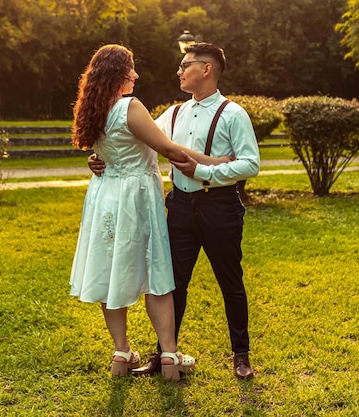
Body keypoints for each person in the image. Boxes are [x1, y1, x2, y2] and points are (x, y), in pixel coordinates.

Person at [89, 43, 260, 379]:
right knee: (171, 283)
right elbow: (134, 137)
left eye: (185, 65)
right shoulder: (173, 114)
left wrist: (207, 172)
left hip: (220, 207)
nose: (179, 71)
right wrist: (99, 157)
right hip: (180, 208)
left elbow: (251, 163)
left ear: (206, 69)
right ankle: (164, 354)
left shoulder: (233, 114)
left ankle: (241, 355)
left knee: (231, 283)